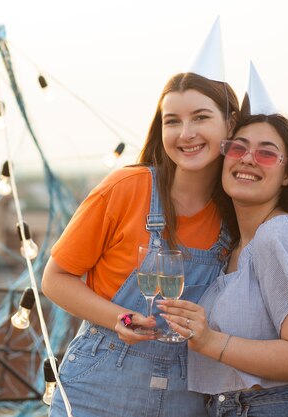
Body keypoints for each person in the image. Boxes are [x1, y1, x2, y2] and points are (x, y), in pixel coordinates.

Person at [41, 50, 240, 416]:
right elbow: (55, 279)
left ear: (230, 123)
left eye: (201, 118)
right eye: (173, 121)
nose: (186, 133)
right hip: (99, 385)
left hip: (188, 391)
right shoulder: (127, 187)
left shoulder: (236, 212)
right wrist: (120, 318)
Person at [157, 99, 288, 415]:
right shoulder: (235, 246)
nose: (249, 160)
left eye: (267, 153)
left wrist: (209, 340)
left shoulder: (278, 234)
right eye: (239, 148)